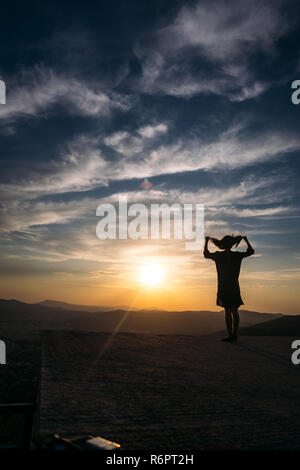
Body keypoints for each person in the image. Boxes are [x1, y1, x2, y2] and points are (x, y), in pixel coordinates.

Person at [204, 235, 254, 342]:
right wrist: (246, 240)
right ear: (232, 244)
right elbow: (251, 251)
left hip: (223, 287)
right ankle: (234, 335)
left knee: (227, 311)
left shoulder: (218, 256)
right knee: (234, 311)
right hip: (234, 286)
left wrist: (206, 241)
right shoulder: (237, 256)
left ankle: (230, 334)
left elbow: (206, 254)